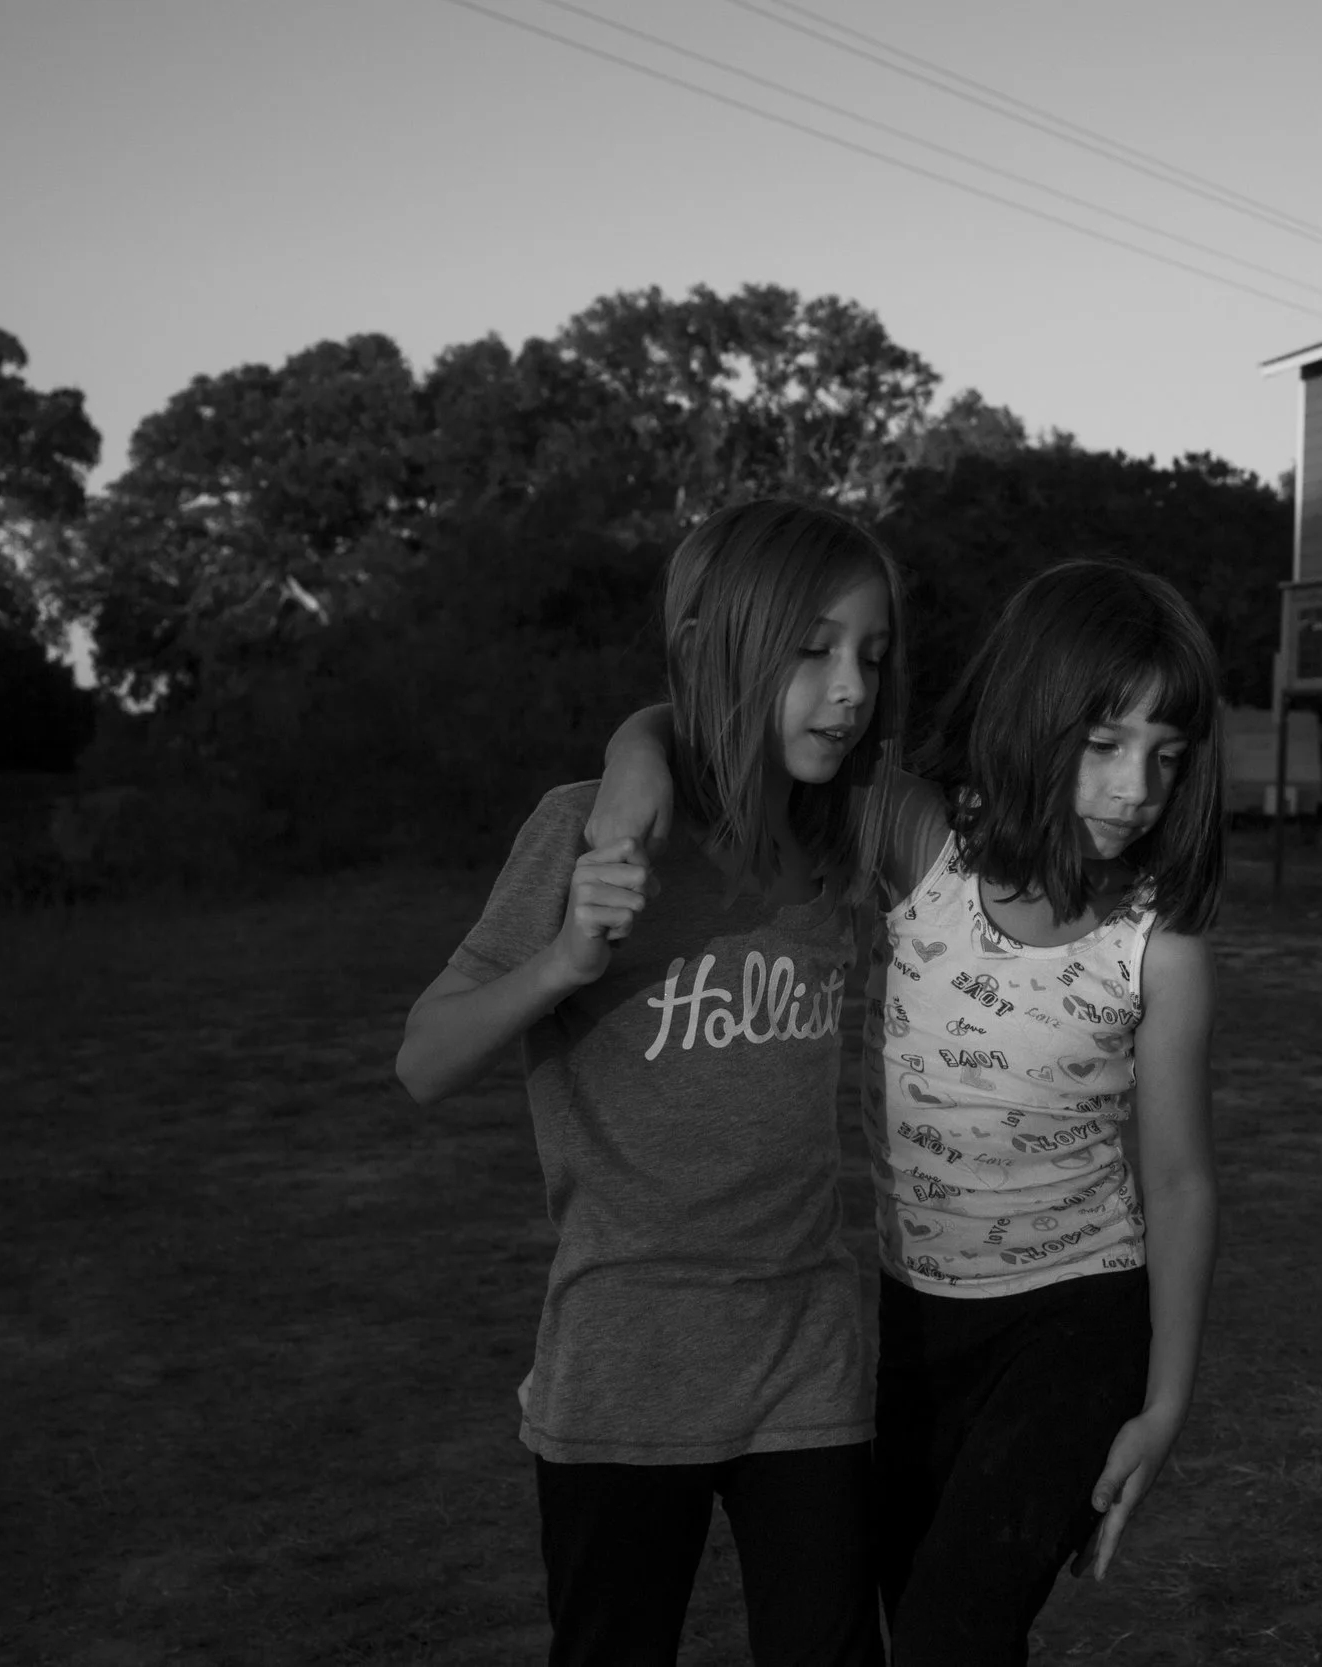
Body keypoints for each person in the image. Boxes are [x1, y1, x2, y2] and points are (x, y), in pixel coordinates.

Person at [591, 560, 1221, 1665]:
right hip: (910, 1328)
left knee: (948, 1638)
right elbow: (720, 723)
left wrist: (1163, 1406)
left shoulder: (1157, 945)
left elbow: (1177, 1182)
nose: (1136, 788)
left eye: (1165, 758)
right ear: (1033, 716)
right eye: (1104, 744)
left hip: (1078, 1322)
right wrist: (629, 758)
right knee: (913, 1625)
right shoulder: (921, 844)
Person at [395, 499, 902, 1667]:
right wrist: (565, 960)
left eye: (871, 657)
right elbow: (424, 1059)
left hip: (805, 1354)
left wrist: (644, 732)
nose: (850, 689)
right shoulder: (590, 831)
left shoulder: (840, 843)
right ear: (724, 647)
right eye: (813, 650)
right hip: (622, 1367)